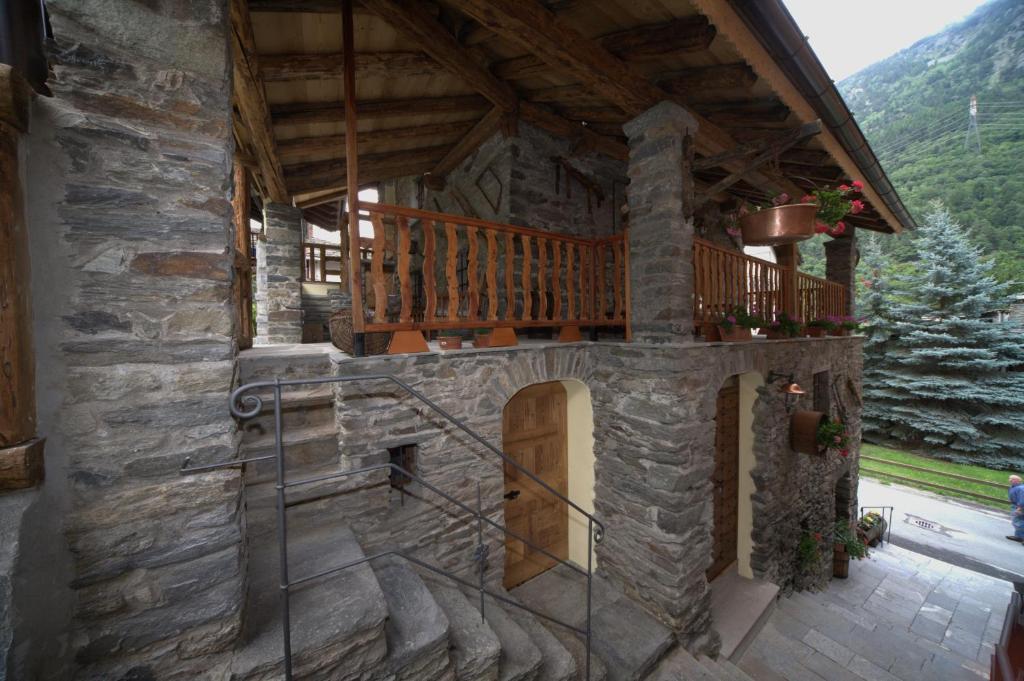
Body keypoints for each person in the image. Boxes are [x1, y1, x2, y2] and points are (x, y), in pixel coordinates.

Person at [1007, 475, 1024, 543]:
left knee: (1018, 521)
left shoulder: (1021, 488)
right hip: (1016, 505)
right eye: (1010, 478)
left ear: (1018, 481)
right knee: (1018, 521)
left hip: (1020, 506)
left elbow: (1022, 499)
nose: (1010, 480)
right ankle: (1019, 536)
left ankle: (1020, 537)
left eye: (1012, 479)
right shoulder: (1014, 487)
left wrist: (1020, 508)